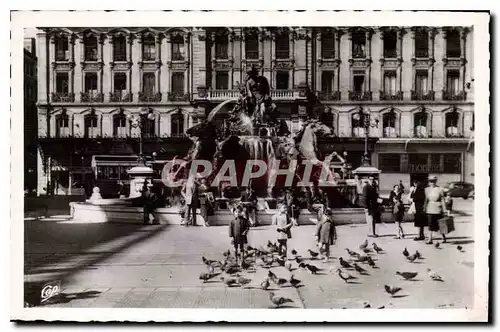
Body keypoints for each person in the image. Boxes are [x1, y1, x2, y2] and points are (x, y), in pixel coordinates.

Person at [424, 175, 447, 244]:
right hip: (430, 208)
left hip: (438, 208)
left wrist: (444, 209)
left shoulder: (440, 189)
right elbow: (426, 199)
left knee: (440, 224)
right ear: (428, 182)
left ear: (436, 181)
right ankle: (430, 239)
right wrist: (424, 207)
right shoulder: (426, 189)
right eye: (431, 181)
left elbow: (442, 199)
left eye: (433, 181)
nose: (432, 182)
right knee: (430, 224)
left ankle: (443, 237)